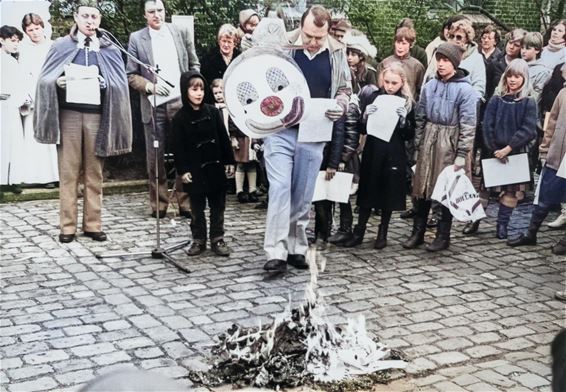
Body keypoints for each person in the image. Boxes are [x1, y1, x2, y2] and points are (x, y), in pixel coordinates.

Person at [34, 1, 133, 243]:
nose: (90, 21)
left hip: (97, 116)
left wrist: (104, 84)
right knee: (68, 172)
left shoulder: (109, 48)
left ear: (100, 21)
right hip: (68, 115)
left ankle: (93, 224)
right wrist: (57, 82)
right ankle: (67, 227)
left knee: (94, 172)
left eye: (95, 17)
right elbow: (44, 79)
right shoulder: (61, 46)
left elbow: (120, 84)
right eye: (85, 16)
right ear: (76, 18)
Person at [262, 5, 351, 271]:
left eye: (318, 38)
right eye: (309, 36)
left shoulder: (337, 52)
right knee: (279, 189)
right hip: (280, 131)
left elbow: (345, 88)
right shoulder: (283, 46)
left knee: (302, 195)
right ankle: (275, 253)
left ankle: (295, 247)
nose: (312, 43)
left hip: (314, 132)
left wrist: (342, 104)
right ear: (301, 26)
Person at [127, 0, 199, 219]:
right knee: (155, 157)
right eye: (151, 12)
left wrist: (191, 90)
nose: (156, 15)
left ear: (165, 11)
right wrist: (150, 86)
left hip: (180, 101)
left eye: (160, 10)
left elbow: (194, 64)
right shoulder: (136, 38)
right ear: (145, 15)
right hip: (153, 104)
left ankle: (185, 202)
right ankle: (159, 204)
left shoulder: (180, 32)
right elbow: (131, 75)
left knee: (185, 153)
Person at [403, 43, 479, 252]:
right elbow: (420, 117)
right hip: (429, 139)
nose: (441, 64)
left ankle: (442, 235)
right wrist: (418, 145)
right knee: (421, 187)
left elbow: (468, 124)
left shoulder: (466, 90)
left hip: (449, 142)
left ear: (455, 63)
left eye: (446, 60)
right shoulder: (429, 86)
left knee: (444, 188)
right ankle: (417, 232)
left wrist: (462, 154)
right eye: (439, 59)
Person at [343, 63, 415, 249]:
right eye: (387, 82)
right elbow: (362, 128)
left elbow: (409, 134)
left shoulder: (406, 102)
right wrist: (365, 116)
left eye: (394, 83)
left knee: (388, 192)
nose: (390, 86)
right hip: (373, 150)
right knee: (368, 190)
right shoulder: (375, 96)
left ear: (402, 83)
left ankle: (382, 232)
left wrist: (403, 121)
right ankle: (359, 231)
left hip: (394, 152)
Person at [171, 71, 235, 256]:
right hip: (195, 171)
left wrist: (229, 161)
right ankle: (198, 239)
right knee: (197, 208)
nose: (198, 93)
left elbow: (223, 138)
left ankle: (217, 238)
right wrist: (183, 170)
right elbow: (178, 147)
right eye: (194, 89)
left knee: (218, 206)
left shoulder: (213, 112)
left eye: (201, 89)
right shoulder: (180, 118)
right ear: (185, 91)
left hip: (215, 168)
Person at [482, 59, 537, 239]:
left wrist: (509, 147)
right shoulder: (496, 99)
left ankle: (502, 225)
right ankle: (474, 220)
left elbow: (528, 129)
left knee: (511, 192)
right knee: (486, 190)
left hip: (515, 153)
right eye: (510, 76)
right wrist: (494, 148)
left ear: (524, 78)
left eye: (517, 76)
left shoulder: (529, 102)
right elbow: (487, 125)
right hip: (494, 152)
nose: (513, 80)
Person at [507, 87, 565, 249]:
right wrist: (545, 149)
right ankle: (531, 234)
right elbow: (551, 123)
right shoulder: (563, 93)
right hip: (557, 156)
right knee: (545, 196)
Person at [18, 13, 59, 187]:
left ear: (43, 27)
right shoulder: (22, 49)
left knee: (51, 137)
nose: (34, 33)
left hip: (51, 96)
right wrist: (26, 95)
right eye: (30, 30)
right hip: (31, 97)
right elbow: (21, 73)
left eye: (37, 28)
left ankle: (54, 176)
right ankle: (34, 177)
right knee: (33, 137)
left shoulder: (53, 47)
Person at [426, 19, 486, 98]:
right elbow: (428, 78)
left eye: (459, 37)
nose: (454, 40)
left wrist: (467, 102)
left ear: (467, 40)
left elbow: (479, 88)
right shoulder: (440, 53)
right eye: (452, 36)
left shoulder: (476, 58)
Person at [0, 26, 27, 191]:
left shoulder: (12, 61)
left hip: (11, 106)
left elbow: (18, 84)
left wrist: (20, 98)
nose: (16, 44)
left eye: (17, 41)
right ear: (1, 40)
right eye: (12, 41)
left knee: (14, 143)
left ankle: (13, 180)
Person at [378, 26, 425, 100]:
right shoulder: (385, 63)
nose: (400, 47)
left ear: (410, 45)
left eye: (404, 43)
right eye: (398, 42)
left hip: (408, 105)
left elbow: (420, 90)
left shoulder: (417, 66)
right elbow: (379, 87)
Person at [201, 24, 240, 104]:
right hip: (213, 103)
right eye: (224, 41)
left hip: (235, 101)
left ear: (235, 43)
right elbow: (205, 84)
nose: (226, 45)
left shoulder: (240, 58)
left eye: (229, 42)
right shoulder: (208, 58)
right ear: (219, 41)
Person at [486, 28, 526, 100]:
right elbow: (487, 89)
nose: (511, 47)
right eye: (510, 43)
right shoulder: (495, 63)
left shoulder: (524, 66)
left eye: (516, 45)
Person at [521, 32, 552, 100]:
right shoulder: (517, 66)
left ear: (537, 50)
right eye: (522, 48)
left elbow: (536, 96)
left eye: (528, 48)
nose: (523, 51)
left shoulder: (543, 72)